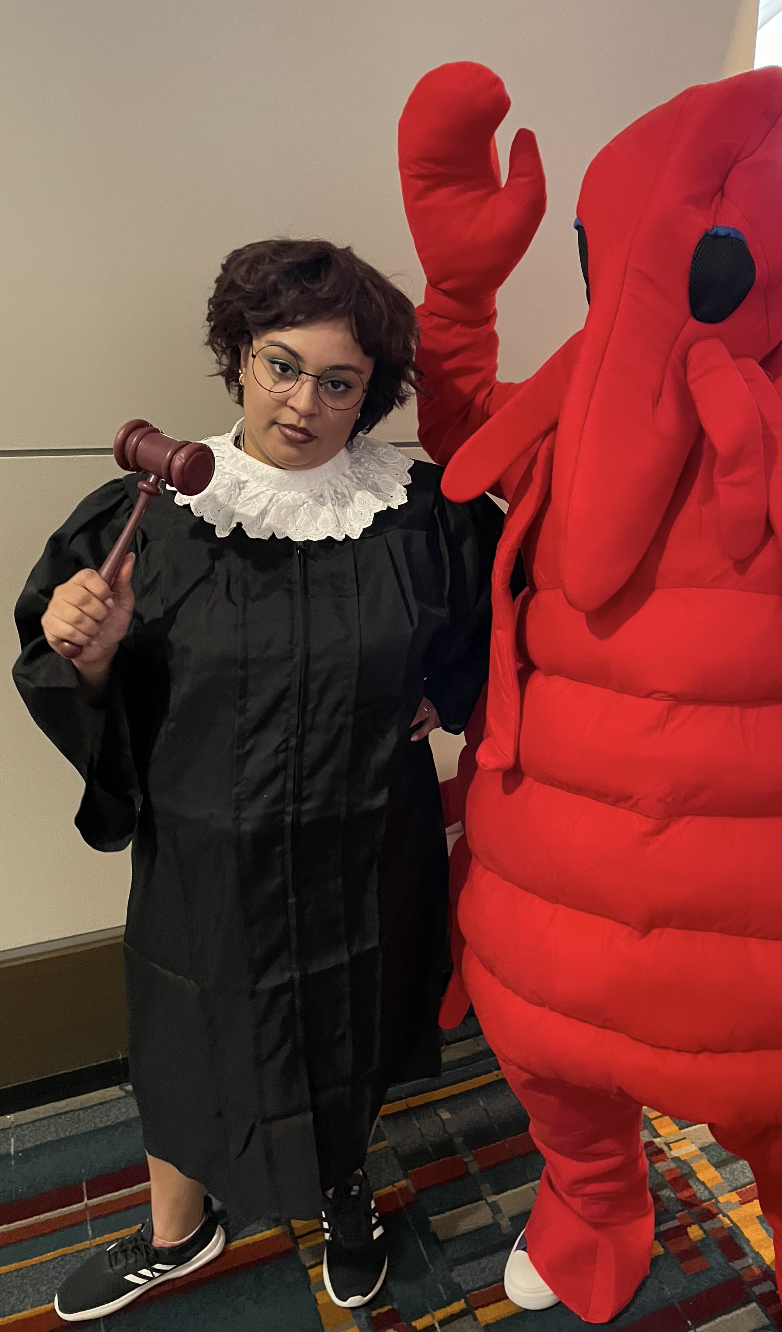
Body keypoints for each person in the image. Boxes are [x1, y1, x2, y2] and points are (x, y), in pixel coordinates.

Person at [397, 28, 782, 1332]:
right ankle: (595, 1196)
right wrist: (455, 293)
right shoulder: (577, 403)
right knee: (565, 1080)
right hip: (566, 918)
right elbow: (465, 434)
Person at [13, 237, 502, 1323]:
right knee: (189, 1028)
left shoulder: (418, 514)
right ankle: (176, 1231)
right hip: (206, 847)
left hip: (363, 841)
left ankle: (343, 1195)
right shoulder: (150, 515)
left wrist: (446, 693)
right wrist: (85, 653)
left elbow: (488, 635)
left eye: (340, 382)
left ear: (369, 394)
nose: (304, 403)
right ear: (237, 353)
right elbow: (77, 673)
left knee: (350, 1022)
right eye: (281, 365)